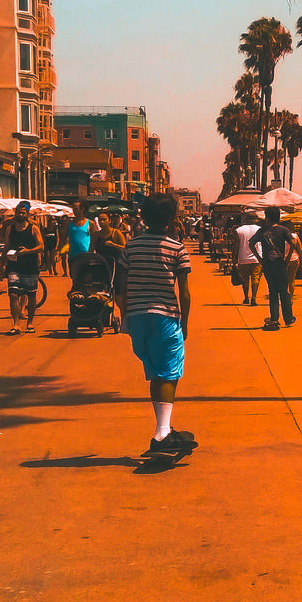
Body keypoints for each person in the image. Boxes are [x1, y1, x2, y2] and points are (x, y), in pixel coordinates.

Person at [117, 193, 193, 459]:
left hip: (137, 318)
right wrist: (184, 322)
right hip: (164, 316)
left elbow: (120, 287)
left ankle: (163, 426)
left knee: (154, 372)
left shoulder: (130, 247)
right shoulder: (177, 248)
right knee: (169, 373)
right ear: (172, 220)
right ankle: (161, 434)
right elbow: (184, 292)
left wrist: (124, 315)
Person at [249, 207, 299, 330]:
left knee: (273, 292)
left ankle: (274, 318)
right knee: (284, 292)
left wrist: (259, 258)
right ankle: (288, 318)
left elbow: (251, 244)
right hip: (281, 265)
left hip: (267, 265)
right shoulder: (283, 230)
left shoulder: (262, 231)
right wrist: (287, 259)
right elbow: (293, 242)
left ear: (268, 218)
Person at [3, 201, 45, 334]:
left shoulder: (33, 228)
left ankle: (30, 323)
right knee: (13, 294)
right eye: (18, 212)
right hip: (14, 266)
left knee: (31, 295)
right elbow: (7, 247)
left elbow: (41, 246)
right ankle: (16, 324)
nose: (20, 214)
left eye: (23, 213)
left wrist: (27, 251)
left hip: (30, 266)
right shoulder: (10, 229)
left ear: (27, 214)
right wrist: (1, 263)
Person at [235, 214, 262, 305]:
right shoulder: (260, 229)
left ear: (245, 219)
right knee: (256, 278)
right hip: (257, 258)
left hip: (243, 258)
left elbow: (236, 245)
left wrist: (233, 257)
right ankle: (254, 298)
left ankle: (246, 297)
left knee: (245, 280)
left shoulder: (239, 230)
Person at [67, 207, 92, 288]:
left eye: (76, 208)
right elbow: (63, 237)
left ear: (82, 209)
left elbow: (95, 238)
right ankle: (76, 296)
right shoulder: (69, 223)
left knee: (86, 278)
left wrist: (91, 252)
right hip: (73, 256)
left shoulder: (90, 223)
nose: (74, 211)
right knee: (74, 278)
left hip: (86, 256)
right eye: (74, 209)